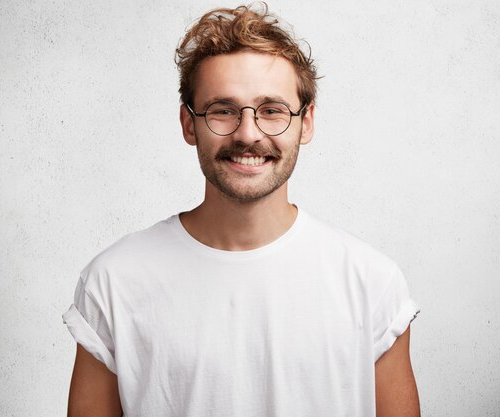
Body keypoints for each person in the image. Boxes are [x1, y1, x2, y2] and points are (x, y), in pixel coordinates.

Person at [63, 3, 421, 417]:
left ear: (305, 123)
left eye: (272, 110)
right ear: (188, 123)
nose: (248, 133)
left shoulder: (372, 284)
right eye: (223, 111)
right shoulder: (113, 283)